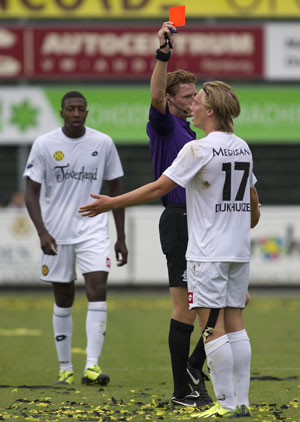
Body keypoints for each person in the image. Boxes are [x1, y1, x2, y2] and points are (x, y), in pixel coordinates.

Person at [79, 80, 260, 418]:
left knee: (211, 328)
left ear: (210, 111)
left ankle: (225, 403)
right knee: (236, 323)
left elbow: (160, 187)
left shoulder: (199, 149)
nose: (194, 104)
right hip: (238, 251)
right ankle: (242, 402)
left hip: (208, 251)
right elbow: (253, 206)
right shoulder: (242, 147)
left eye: (199, 99)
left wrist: (112, 202)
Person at [24, 91, 128, 386]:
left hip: (93, 230)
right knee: (64, 297)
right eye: (71, 109)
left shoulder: (102, 143)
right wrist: (42, 231)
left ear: (87, 112)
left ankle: (92, 366)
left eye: (81, 109)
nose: (76, 113)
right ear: (62, 113)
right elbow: (30, 190)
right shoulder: (44, 145)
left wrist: (121, 237)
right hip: (56, 233)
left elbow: (116, 190)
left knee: (98, 288)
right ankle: (65, 367)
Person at [146, 21, 212, 408]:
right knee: (186, 309)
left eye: (193, 95)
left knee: (222, 301)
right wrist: (162, 57)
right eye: (185, 96)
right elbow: (155, 96)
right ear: (171, 100)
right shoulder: (166, 125)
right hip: (178, 220)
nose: (191, 101)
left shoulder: (190, 132)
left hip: (199, 221)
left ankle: (192, 370)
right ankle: (183, 390)